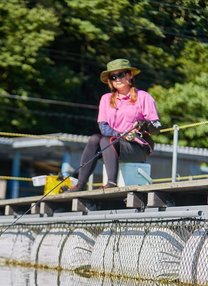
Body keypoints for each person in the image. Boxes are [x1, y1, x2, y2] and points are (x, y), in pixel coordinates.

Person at [64, 58, 161, 192]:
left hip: (137, 147)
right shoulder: (106, 99)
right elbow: (103, 127)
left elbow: (156, 127)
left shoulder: (143, 97)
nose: (117, 79)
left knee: (106, 140)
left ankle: (111, 183)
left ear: (130, 75)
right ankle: (80, 185)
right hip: (112, 144)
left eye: (120, 74)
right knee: (95, 138)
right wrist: (122, 135)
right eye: (113, 76)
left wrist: (143, 126)